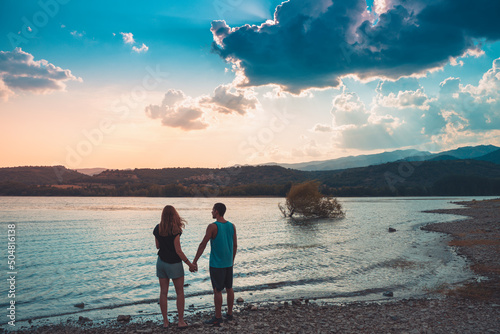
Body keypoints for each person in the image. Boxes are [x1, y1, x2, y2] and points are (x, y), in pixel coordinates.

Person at [192, 202, 237, 326]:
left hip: (217, 265)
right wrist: (231, 260)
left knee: (217, 290)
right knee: (229, 288)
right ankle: (229, 314)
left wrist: (194, 261)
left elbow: (203, 244)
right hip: (228, 263)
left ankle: (218, 317)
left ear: (216, 211)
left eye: (212, 210)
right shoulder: (232, 226)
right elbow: (235, 245)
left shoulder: (212, 226)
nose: (211, 212)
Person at [153, 205, 196, 329]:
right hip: (174, 264)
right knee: (180, 292)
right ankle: (181, 321)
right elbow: (178, 251)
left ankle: (165, 322)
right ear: (174, 215)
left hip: (161, 262)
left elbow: (157, 246)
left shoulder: (158, 228)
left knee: (163, 293)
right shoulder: (175, 230)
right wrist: (190, 264)